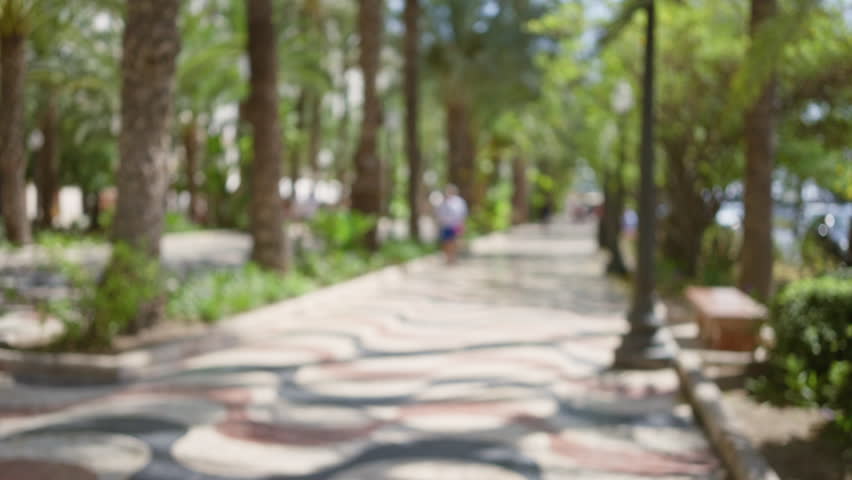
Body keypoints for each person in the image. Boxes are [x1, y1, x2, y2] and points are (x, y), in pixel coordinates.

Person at [436, 184, 468, 264]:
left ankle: (454, 257)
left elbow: (463, 213)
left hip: (456, 225)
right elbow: (439, 214)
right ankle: (448, 257)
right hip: (445, 225)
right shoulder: (443, 201)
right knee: (446, 242)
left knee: (455, 241)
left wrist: (462, 224)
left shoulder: (459, 201)